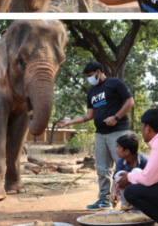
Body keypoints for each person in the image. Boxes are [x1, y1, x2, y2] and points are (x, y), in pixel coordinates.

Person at [56, 61, 134, 210]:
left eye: (91, 75)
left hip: (119, 132)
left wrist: (116, 117)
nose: (89, 79)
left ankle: (130, 199)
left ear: (99, 71)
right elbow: (89, 115)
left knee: (123, 166)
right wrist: (69, 122)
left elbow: (130, 102)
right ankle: (104, 199)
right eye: (87, 77)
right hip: (100, 134)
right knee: (102, 168)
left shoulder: (115, 83)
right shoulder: (91, 93)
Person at [116, 108, 158, 225]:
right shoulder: (120, 162)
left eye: (142, 127)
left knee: (131, 191)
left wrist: (129, 177)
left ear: (147, 128)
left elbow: (148, 179)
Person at [110, 133, 149, 208]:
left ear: (127, 152)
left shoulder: (144, 161)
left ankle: (140, 207)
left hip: (144, 196)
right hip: (130, 194)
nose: (116, 149)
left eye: (118, 147)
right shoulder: (120, 162)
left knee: (136, 171)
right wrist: (114, 192)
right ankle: (125, 206)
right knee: (120, 174)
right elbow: (115, 182)